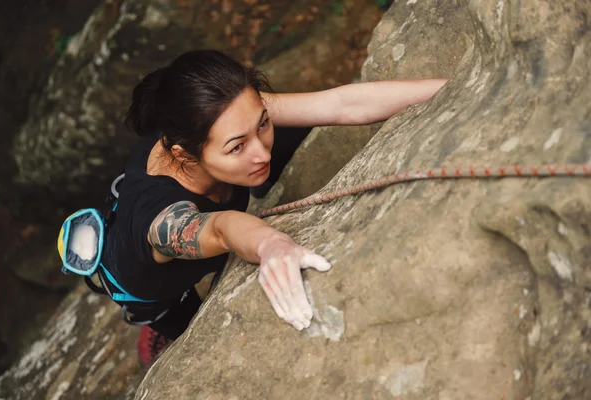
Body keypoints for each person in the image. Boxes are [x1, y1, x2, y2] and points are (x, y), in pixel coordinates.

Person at [102, 49, 447, 367]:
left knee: (285, 136)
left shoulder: (228, 113)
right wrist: (272, 245)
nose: (262, 152)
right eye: (238, 147)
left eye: (263, 123)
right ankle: (156, 327)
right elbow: (221, 228)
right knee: (188, 327)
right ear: (182, 154)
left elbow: (341, 105)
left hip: (209, 178)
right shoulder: (159, 221)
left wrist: (456, 86)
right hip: (154, 287)